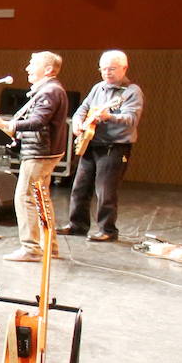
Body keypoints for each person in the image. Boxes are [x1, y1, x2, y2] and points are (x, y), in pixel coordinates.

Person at [0, 52, 68, 262]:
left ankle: (30, 248)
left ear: (48, 69)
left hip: (39, 153)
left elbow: (38, 121)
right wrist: (3, 124)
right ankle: (50, 246)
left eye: (32, 64)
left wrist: (9, 125)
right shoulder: (50, 90)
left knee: (25, 197)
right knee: (40, 198)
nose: (27, 68)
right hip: (44, 151)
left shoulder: (49, 91)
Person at [58, 50, 144, 243]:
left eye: (112, 69)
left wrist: (109, 116)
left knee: (105, 191)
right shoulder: (98, 88)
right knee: (80, 188)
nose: (107, 73)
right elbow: (83, 109)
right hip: (92, 144)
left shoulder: (131, 92)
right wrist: (78, 123)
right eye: (103, 69)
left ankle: (108, 230)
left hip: (115, 147)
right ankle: (77, 225)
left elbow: (131, 119)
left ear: (124, 68)